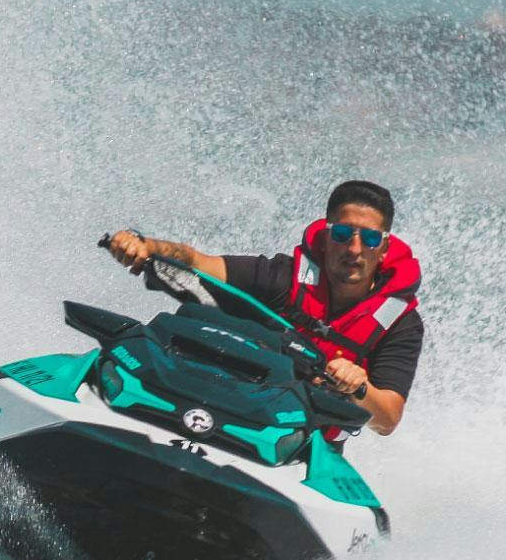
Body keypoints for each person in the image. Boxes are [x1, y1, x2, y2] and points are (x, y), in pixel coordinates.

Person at [107, 180, 422, 436]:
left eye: (369, 238)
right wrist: (146, 246)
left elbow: (388, 418)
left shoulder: (401, 324)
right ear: (326, 238)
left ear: (383, 249)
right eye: (342, 234)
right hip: (231, 408)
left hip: (299, 442)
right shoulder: (282, 277)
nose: (354, 248)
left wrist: (360, 387)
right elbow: (199, 263)